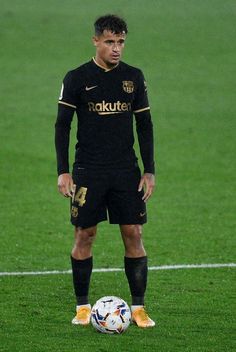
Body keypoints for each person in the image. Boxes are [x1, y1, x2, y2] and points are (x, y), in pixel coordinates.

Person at [55, 14, 156, 328]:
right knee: (85, 235)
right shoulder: (76, 78)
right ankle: (83, 306)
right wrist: (63, 171)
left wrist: (149, 170)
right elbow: (62, 126)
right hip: (88, 171)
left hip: (126, 171)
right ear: (96, 40)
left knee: (134, 233)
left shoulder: (134, 77)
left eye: (121, 42)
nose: (116, 48)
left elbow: (145, 125)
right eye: (110, 42)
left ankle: (138, 308)